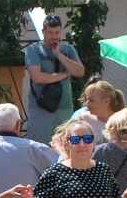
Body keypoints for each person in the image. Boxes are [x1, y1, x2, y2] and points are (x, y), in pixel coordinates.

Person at [23, 14, 84, 144]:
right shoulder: (33, 50)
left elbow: (79, 72)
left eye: (57, 32)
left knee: (65, 147)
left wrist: (59, 55)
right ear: (43, 32)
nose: (54, 36)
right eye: (50, 32)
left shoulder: (68, 49)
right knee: (39, 147)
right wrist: (64, 75)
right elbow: (37, 77)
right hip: (40, 109)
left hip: (65, 108)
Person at [73, 79, 124, 143]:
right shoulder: (83, 118)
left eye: (91, 100)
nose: (86, 104)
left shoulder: (124, 124)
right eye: (86, 100)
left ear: (106, 101)